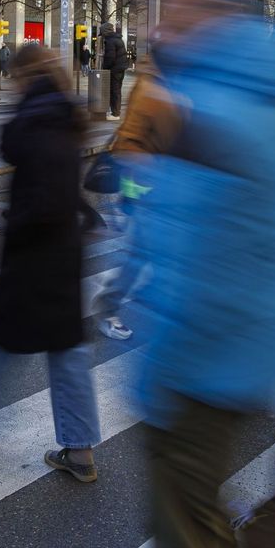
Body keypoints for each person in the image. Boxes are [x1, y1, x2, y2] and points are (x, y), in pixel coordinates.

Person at [126, 0, 275, 548]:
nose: (158, 27)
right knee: (197, 526)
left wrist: (157, 376)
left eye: (172, 11)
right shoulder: (269, 107)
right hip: (249, 354)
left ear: (208, 14)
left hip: (196, 365)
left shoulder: (205, 118)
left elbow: (185, 253)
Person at [0, 43, 102, 481]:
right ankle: (80, 449)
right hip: (63, 250)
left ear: (23, 77)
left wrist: (20, 223)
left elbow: (39, 188)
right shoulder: (62, 113)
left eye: (12, 77)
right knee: (66, 350)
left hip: (34, 251)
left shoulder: (36, 119)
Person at [91, 53, 179, 342]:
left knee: (152, 253)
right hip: (149, 187)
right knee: (142, 254)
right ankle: (108, 306)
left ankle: (145, 297)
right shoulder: (152, 88)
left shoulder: (168, 84)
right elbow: (129, 141)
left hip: (162, 186)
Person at [99, 23, 128, 119]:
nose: (102, 36)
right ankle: (115, 112)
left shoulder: (110, 41)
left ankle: (115, 113)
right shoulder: (118, 39)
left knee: (114, 90)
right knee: (117, 90)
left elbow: (110, 57)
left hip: (115, 69)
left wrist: (104, 68)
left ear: (105, 32)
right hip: (120, 68)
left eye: (102, 33)